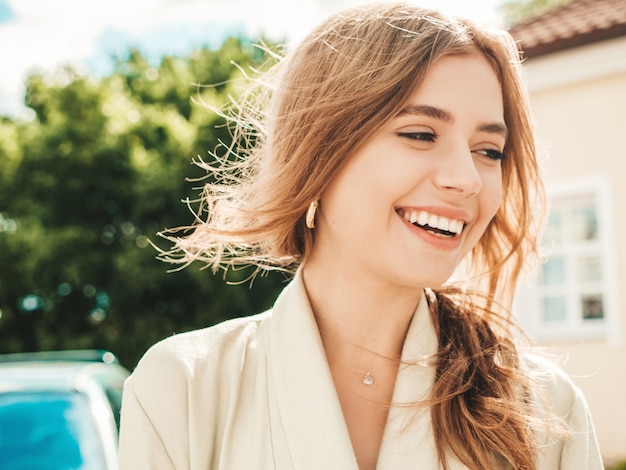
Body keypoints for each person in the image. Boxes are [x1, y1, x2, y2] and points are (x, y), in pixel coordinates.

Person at [118, 2, 603, 469]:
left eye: (489, 150)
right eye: (420, 134)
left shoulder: (545, 411)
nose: (468, 179)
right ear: (320, 151)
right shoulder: (182, 388)